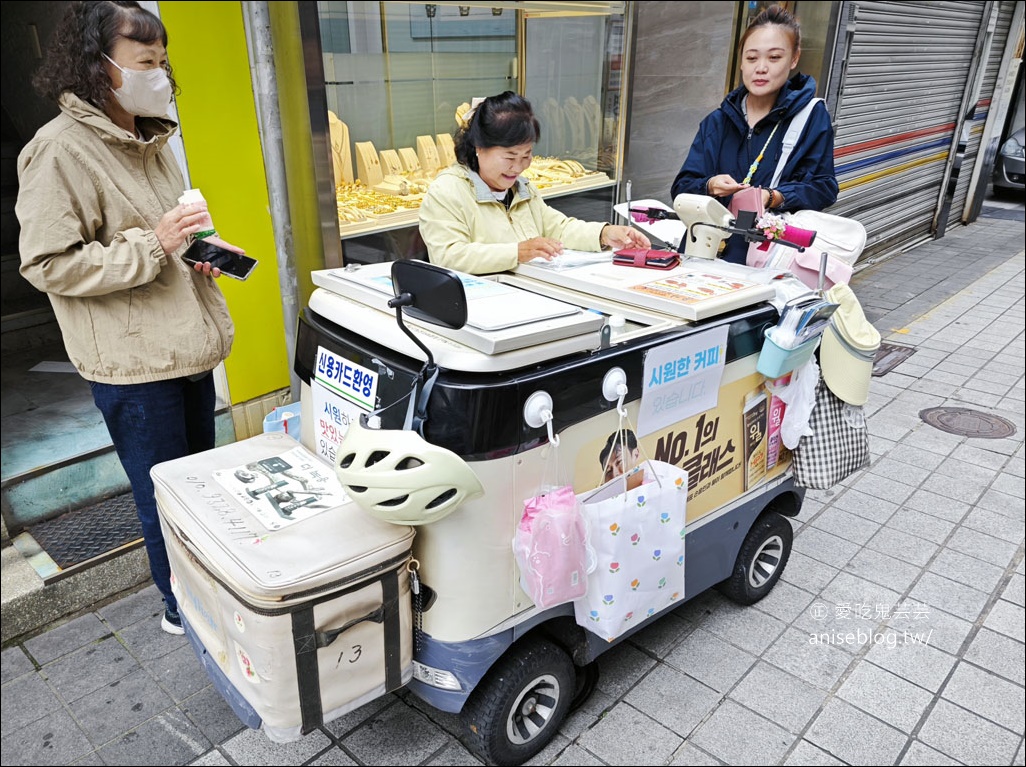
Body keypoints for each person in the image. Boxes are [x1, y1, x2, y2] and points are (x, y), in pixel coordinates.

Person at [16, 1, 241, 636]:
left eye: (163, 62)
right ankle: (183, 610)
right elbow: (48, 263)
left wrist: (205, 253)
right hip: (133, 362)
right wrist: (156, 245)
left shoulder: (150, 136)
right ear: (99, 67)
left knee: (198, 489)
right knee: (164, 498)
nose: (160, 75)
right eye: (145, 62)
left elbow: (169, 230)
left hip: (186, 341)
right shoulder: (57, 152)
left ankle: (214, 593)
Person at [670, 4, 838, 264]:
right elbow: (681, 187)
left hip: (767, 259)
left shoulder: (811, 117)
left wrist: (773, 197)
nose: (761, 68)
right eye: (751, 58)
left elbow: (824, 187)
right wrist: (710, 186)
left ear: (794, 59)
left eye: (774, 58)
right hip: (705, 252)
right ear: (741, 62)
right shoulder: (717, 121)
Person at [419, 91, 650, 275]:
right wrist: (517, 252)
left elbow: (557, 227)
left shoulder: (522, 188)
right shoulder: (448, 191)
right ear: (479, 147)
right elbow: (449, 256)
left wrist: (604, 233)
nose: (518, 167)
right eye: (510, 157)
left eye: (526, 156)